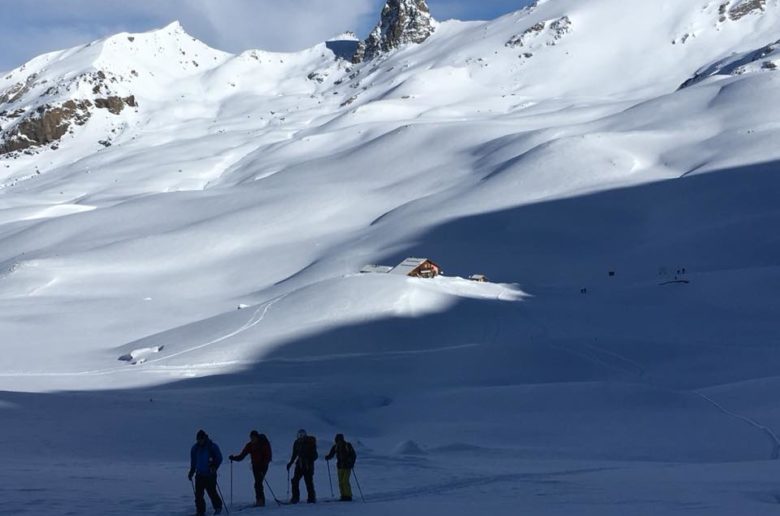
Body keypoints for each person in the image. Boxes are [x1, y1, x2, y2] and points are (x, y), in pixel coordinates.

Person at [229, 430, 273, 507]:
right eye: (251, 438)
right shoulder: (250, 445)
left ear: (257, 437)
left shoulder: (264, 443)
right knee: (257, 483)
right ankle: (259, 500)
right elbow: (242, 455)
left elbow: (268, 456)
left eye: (253, 437)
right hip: (255, 466)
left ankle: (261, 501)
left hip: (263, 466)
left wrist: (263, 465)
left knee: (258, 483)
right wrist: (234, 458)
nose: (252, 439)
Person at [188, 429, 224, 516]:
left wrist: (214, 466)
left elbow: (219, 458)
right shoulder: (195, 448)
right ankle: (200, 511)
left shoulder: (212, 446)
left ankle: (218, 507)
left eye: (201, 439)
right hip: (199, 474)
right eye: (198, 439)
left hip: (210, 474)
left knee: (212, 492)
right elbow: (193, 461)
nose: (199, 441)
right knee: (198, 495)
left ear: (204, 438)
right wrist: (192, 471)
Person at [286, 429, 318, 504]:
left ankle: (311, 498)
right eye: (299, 435)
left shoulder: (310, 442)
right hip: (299, 464)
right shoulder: (296, 443)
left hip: (308, 465)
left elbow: (315, 455)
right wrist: (290, 463)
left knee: (308, 482)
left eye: (302, 435)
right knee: (295, 481)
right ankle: (295, 498)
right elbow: (294, 454)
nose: (301, 437)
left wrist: (309, 458)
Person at [324, 433, 357, 501]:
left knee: (345, 481)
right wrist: (328, 457)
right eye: (337, 440)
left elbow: (353, 455)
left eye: (340, 439)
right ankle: (343, 495)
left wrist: (351, 462)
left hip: (347, 466)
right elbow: (331, 454)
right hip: (340, 466)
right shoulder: (336, 446)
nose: (339, 441)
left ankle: (348, 495)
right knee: (340, 482)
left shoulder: (347, 445)